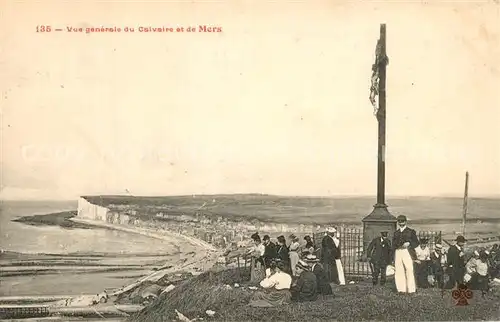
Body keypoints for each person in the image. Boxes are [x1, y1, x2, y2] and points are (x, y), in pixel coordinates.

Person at [392, 215, 419, 294]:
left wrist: (409, 243)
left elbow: (416, 243)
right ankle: (401, 289)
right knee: (399, 270)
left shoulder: (411, 231)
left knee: (409, 269)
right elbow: (393, 244)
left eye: (402, 221)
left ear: (405, 221)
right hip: (398, 251)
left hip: (407, 251)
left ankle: (411, 290)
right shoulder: (396, 233)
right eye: (399, 221)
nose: (401, 223)